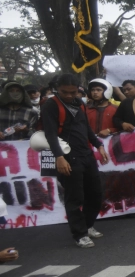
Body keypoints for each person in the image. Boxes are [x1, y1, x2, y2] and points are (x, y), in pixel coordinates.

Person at [41, 74, 110, 247]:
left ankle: (87, 225)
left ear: (78, 89)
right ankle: (80, 234)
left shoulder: (79, 103)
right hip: (67, 156)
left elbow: (86, 127)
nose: (69, 95)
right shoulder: (51, 105)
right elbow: (50, 134)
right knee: (74, 197)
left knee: (95, 193)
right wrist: (59, 157)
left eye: (73, 92)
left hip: (86, 154)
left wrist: (98, 145)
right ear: (57, 89)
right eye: (64, 92)